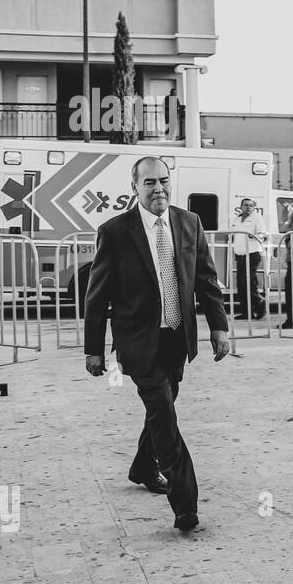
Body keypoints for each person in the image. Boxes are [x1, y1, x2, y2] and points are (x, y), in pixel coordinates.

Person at [84, 156, 229, 533]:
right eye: (149, 183)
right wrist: (94, 348)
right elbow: (96, 296)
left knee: (163, 407)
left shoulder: (188, 222)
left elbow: (206, 280)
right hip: (138, 340)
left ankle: (142, 466)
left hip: (176, 337)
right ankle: (185, 505)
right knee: (164, 415)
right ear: (135, 188)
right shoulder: (115, 231)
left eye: (164, 180)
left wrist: (219, 327)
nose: (159, 188)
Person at [228, 198, 267, 320]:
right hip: (240, 255)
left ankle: (260, 303)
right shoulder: (237, 219)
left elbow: (263, 235)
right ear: (241, 207)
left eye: (251, 205)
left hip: (252, 254)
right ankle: (247, 312)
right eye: (246, 205)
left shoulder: (257, 218)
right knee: (241, 285)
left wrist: (254, 236)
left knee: (249, 283)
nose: (248, 207)